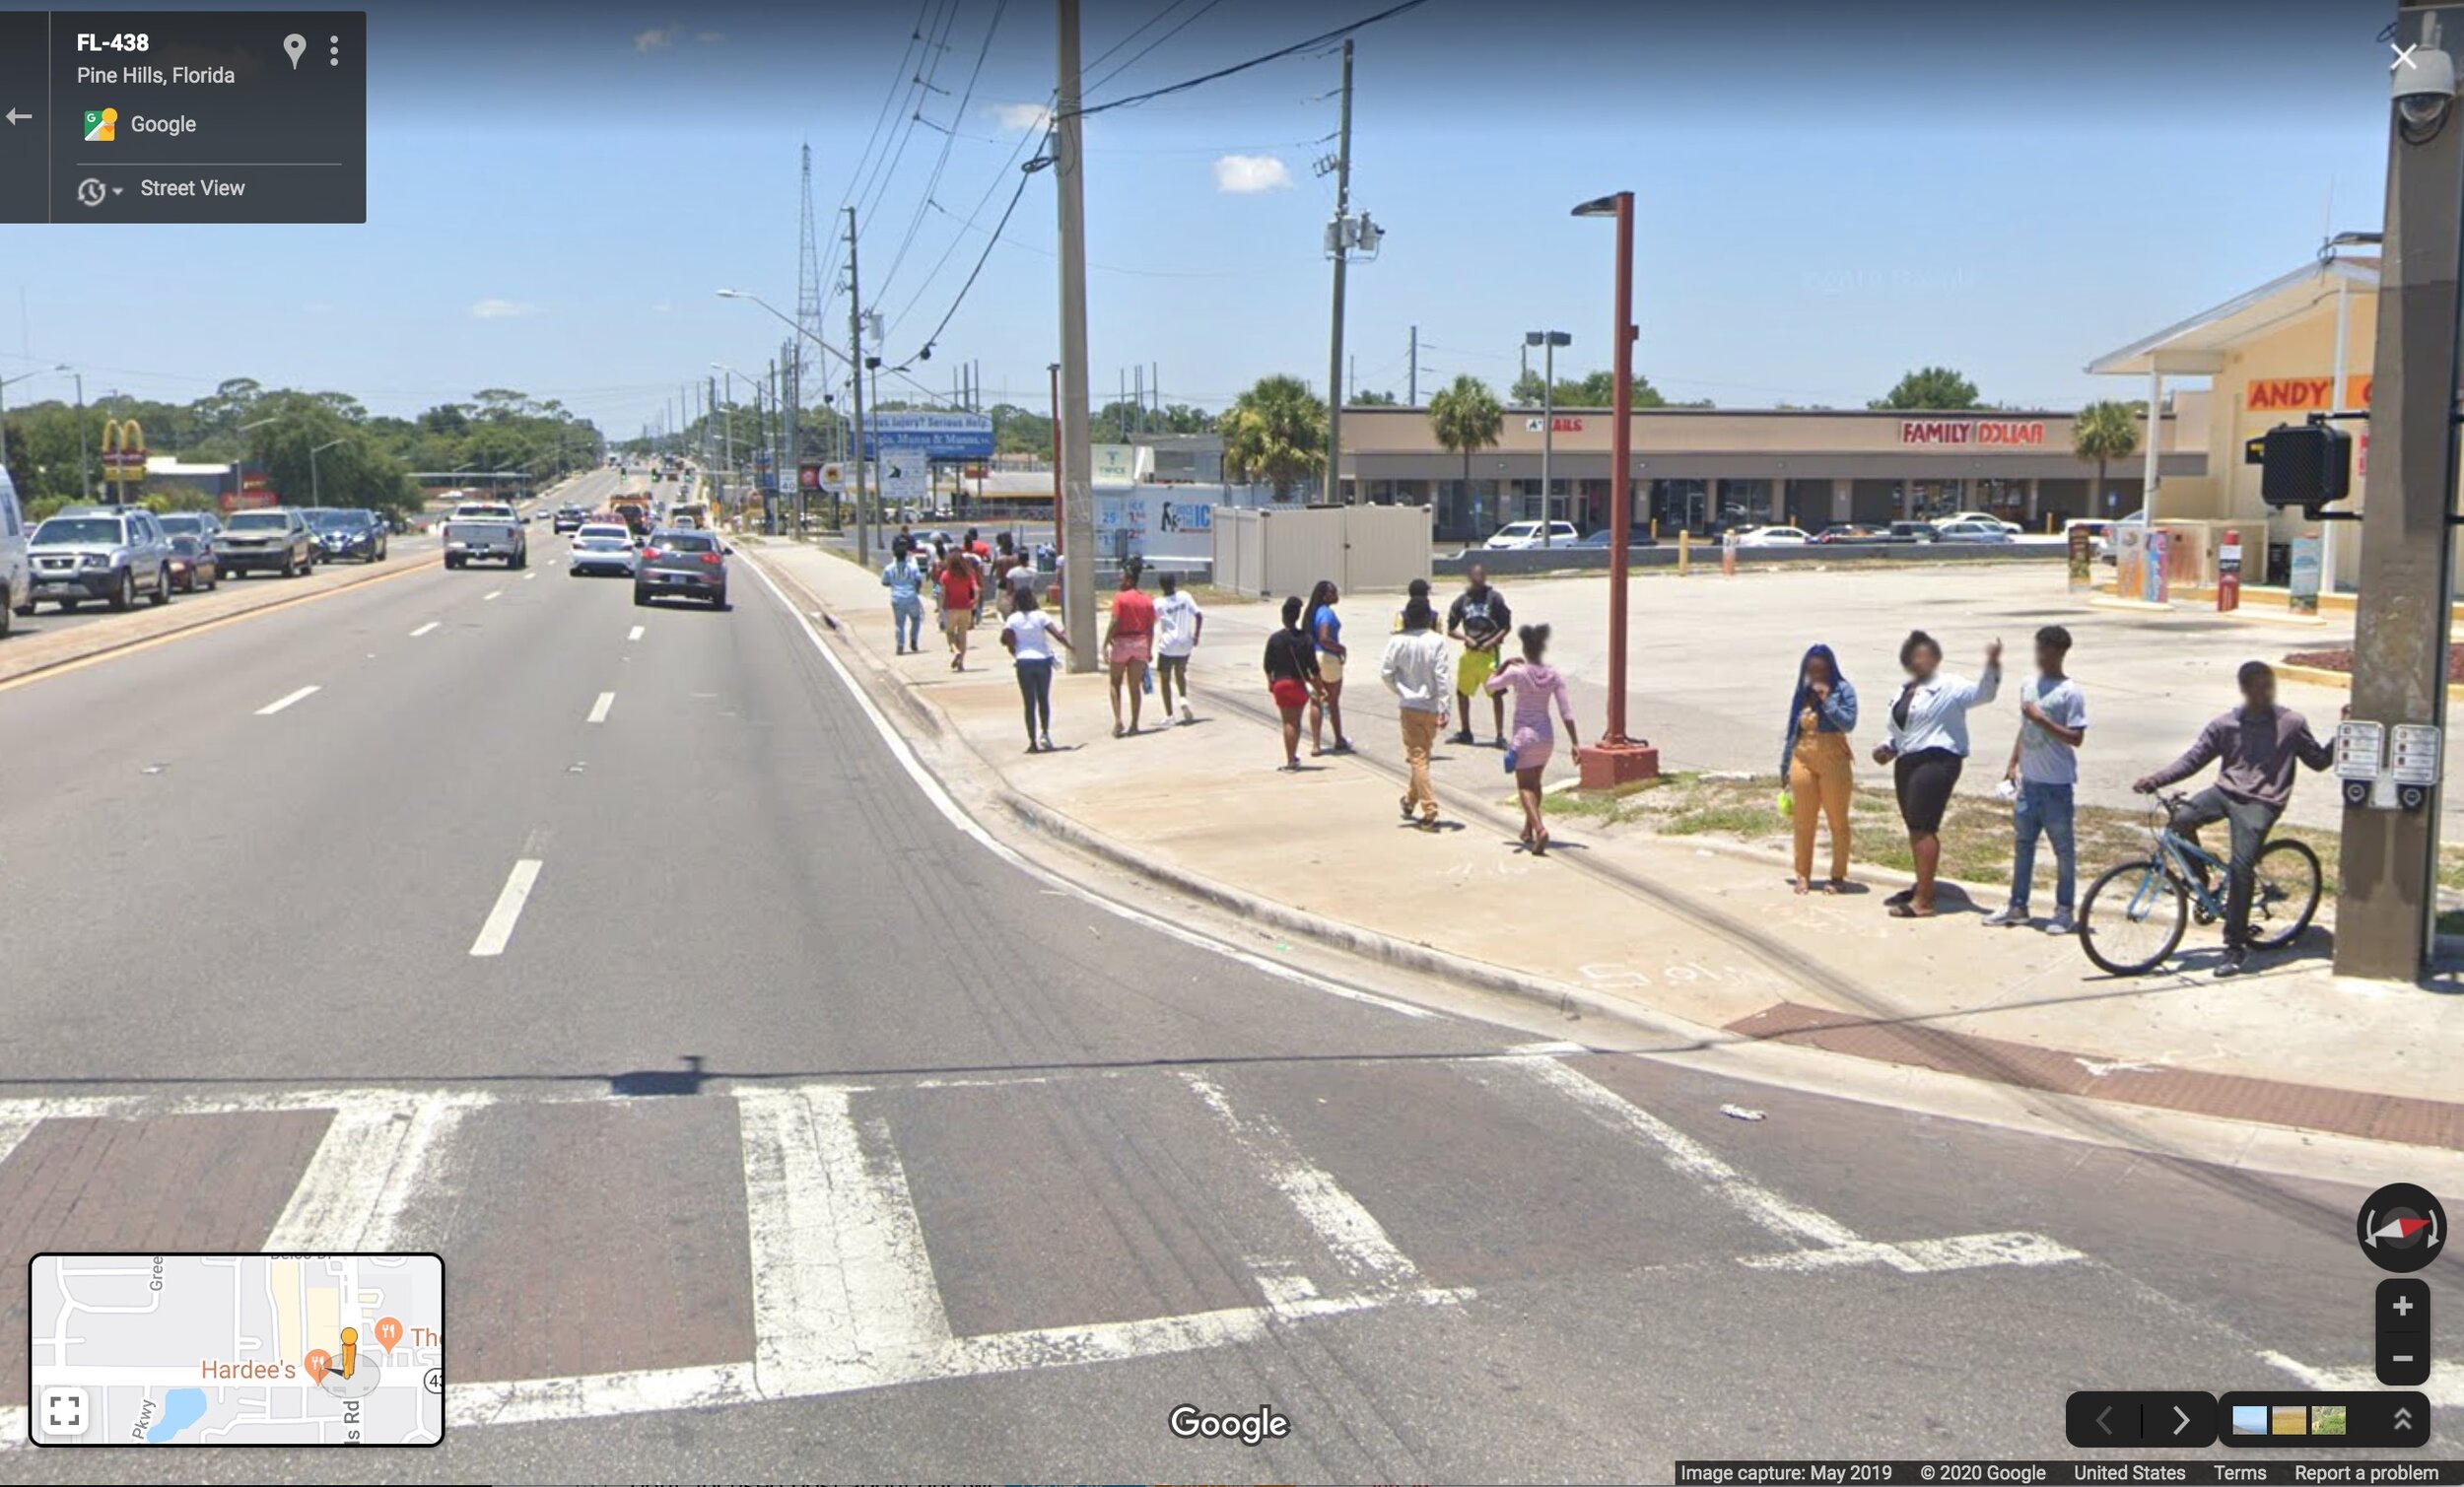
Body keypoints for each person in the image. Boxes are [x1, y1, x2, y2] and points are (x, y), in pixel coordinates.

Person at [2133, 661, 2333, 977]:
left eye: (2268, 687)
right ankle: (2203, 885)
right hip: (2225, 792)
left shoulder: (2291, 723)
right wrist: (2157, 779)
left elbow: (2319, 761)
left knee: (2242, 867)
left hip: (2263, 802)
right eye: (2256, 688)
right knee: (2181, 820)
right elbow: (2193, 759)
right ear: (2244, 690)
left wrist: (2343, 734)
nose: (2263, 694)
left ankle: (2235, 946)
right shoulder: (2225, 725)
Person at [1873, 629, 2002, 918]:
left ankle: (1924, 901)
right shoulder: (1903, 691)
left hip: (1937, 760)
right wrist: (1886, 748)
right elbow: (1897, 731)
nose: (1920, 661)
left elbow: (1984, 694)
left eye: (1926, 655)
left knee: (1923, 826)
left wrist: (1992, 664)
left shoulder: (1950, 686)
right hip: (1907, 761)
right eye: (1914, 655)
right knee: (1914, 827)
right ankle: (1923, 884)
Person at [1985, 626, 2089, 933]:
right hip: (2029, 783)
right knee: (2023, 845)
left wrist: (2041, 720)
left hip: (2057, 785)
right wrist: (2013, 763)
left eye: (2043, 650)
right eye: (2037, 649)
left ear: (2058, 652)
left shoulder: (2070, 692)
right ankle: (2018, 906)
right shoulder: (2028, 685)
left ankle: (2064, 910)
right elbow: (2024, 729)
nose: (2039, 656)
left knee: (2063, 850)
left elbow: (2076, 738)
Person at [1487, 623, 1581, 853]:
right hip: (1546, 738)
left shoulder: (1517, 672)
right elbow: (1566, 712)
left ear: (1525, 650)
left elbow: (1490, 686)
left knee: (1524, 787)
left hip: (1523, 738)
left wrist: (1504, 665)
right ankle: (1527, 829)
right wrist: (1575, 743)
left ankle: (1539, 829)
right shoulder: (1553, 675)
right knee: (1535, 783)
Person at [1779, 643, 1859, 894]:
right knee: (1803, 820)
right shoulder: (1802, 693)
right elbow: (1793, 728)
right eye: (1811, 671)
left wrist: (1827, 701)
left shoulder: (1843, 690)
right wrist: (1785, 766)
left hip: (1833, 758)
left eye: (1821, 670)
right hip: (1803, 757)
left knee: (1837, 820)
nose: (1816, 676)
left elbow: (1848, 723)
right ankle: (1802, 873)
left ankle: (1838, 876)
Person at [1380, 595, 1455, 827]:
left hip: (1410, 706)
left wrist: (1400, 689)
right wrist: (1445, 706)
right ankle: (1410, 800)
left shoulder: (1397, 641)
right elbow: (1442, 676)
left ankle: (1430, 809)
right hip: (1431, 706)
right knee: (1422, 756)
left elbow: (1386, 672)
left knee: (1418, 757)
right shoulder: (1436, 641)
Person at [1447, 566, 1514, 746]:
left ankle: (1500, 736)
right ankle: (1465, 732)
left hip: (1489, 654)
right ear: (1469, 578)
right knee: (1462, 692)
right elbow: (1450, 629)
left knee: (1496, 693)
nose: (1477, 580)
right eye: (1474, 577)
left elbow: (1506, 626)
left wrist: (1491, 642)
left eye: (1480, 576)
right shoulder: (1462, 601)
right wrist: (1465, 637)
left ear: (1484, 577)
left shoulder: (1494, 599)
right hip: (1470, 654)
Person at [1001, 587, 1072, 753]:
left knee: (1029, 703)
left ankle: (1032, 741)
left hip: (1024, 661)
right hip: (1042, 661)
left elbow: (1005, 638)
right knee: (1043, 699)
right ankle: (1045, 733)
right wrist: (1070, 647)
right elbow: (1057, 635)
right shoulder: (1041, 616)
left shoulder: (1013, 618)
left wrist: (1014, 650)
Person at [1263, 595, 1322, 772]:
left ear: (1283, 616)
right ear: (1297, 616)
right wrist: (1319, 686)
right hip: (1299, 684)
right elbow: (1313, 666)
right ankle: (1293, 756)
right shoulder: (1307, 638)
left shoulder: (1274, 639)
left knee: (1287, 722)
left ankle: (1290, 759)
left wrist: (1270, 683)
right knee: (1296, 722)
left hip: (1280, 684)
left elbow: (1267, 665)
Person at [1103, 565, 1156, 736]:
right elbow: (1150, 628)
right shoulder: (1147, 599)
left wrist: (1105, 643)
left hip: (1122, 642)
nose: (1119, 579)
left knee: (1115, 682)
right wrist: (1148, 648)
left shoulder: (1120, 598)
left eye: (1122, 576)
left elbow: (1114, 621)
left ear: (1129, 580)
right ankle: (1134, 725)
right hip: (1140, 643)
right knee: (1135, 687)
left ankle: (1118, 720)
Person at [1306, 579, 1354, 755]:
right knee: (1332, 701)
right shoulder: (1326, 613)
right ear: (1325, 596)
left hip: (1314, 658)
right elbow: (1324, 637)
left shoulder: (1312, 612)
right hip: (1328, 658)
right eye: (1333, 592)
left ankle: (1316, 744)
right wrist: (1341, 648)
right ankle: (1339, 739)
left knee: (1316, 700)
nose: (1336, 595)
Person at [1153, 571, 1204, 723]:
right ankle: (1183, 700)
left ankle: (1169, 715)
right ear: (1175, 583)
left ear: (1161, 586)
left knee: (1164, 678)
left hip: (1168, 645)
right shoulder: (1185, 596)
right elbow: (1199, 615)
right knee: (1180, 673)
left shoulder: (1159, 603)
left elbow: (1151, 623)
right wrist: (1196, 635)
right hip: (1185, 644)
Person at [880, 536, 927, 655]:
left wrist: (893, 584)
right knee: (916, 619)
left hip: (896, 597)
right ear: (906, 555)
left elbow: (884, 582)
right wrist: (917, 591)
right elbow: (919, 580)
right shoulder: (912, 567)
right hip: (911, 596)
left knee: (899, 623)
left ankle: (900, 645)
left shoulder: (889, 568)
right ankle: (914, 640)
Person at [935, 547, 980, 671]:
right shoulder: (969, 574)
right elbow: (976, 589)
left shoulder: (945, 575)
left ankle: (955, 651)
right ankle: (961, 662)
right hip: (966, 608)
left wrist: (939, 608)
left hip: (951, 608)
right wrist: (974, 602)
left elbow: (941, 593)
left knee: (949, 632)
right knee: (963, 635)